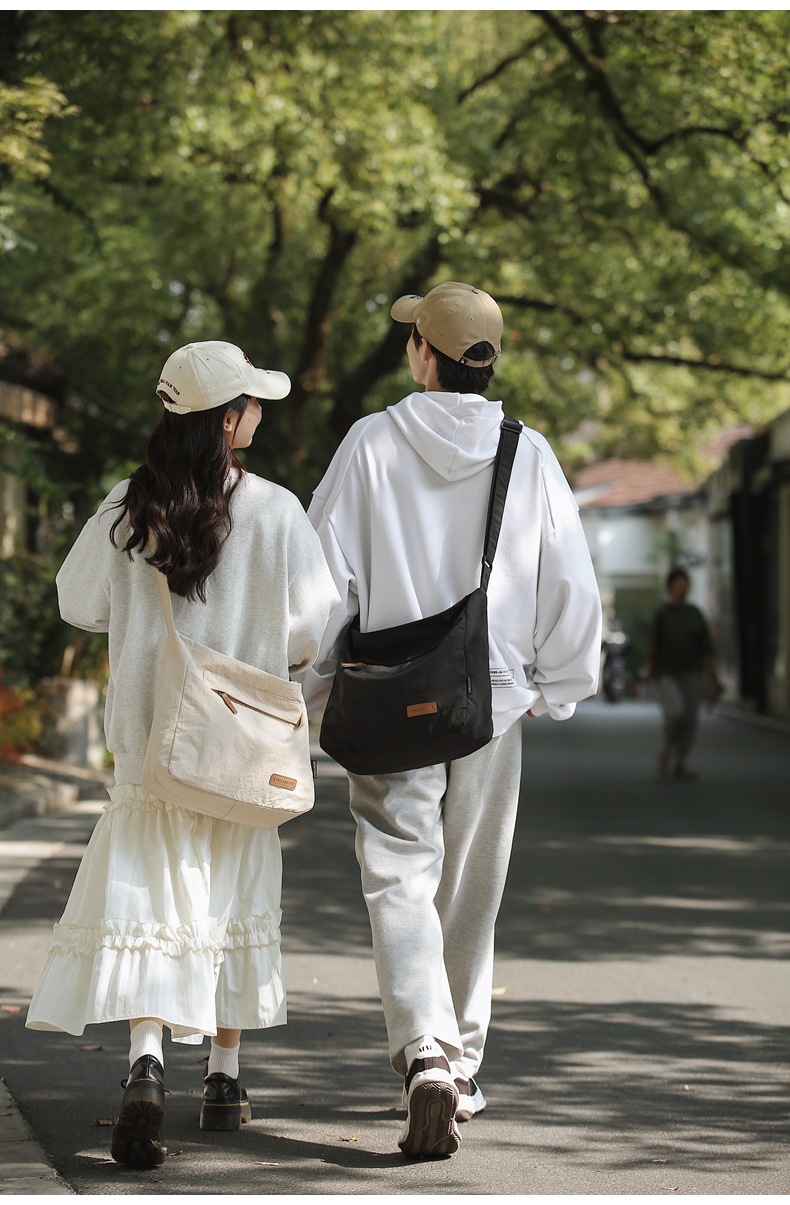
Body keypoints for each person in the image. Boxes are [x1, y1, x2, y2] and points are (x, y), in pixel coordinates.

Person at [300, 282, 602, 1159]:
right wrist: (557, 684)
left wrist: (309, 689)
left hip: (386, 697)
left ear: (423, 354)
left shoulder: (370, 443)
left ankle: (422, 1049)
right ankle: (460, 1067)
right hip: (491, 699)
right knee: (471, 885)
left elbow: (319, 585)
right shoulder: (527, 453)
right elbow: (570, 581)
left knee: (397, 872)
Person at [26, 341, 339, 1169]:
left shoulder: (129, 504)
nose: (260, 412)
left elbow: (76, 600)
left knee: (153, 906)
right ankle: (225, 1077)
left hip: (149, 744)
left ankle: (146, 1062)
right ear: (228, 420)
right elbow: (312, 629)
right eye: (252, 402)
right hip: (241, 747)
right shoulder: (275, 510)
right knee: (231, 897)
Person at [644, 566, 722, 780]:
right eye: (678, 585)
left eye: (685, 585)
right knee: (675, 712)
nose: (682, 589)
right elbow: (653, 647)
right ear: (670, 588)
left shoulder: (694, 614)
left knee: (690, 717)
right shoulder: (663, 615)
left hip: (692, 672)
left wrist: (713, 677)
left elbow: (706, 649)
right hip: (667, 673)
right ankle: (667, 748)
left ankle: (681, 761)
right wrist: (648, 673)